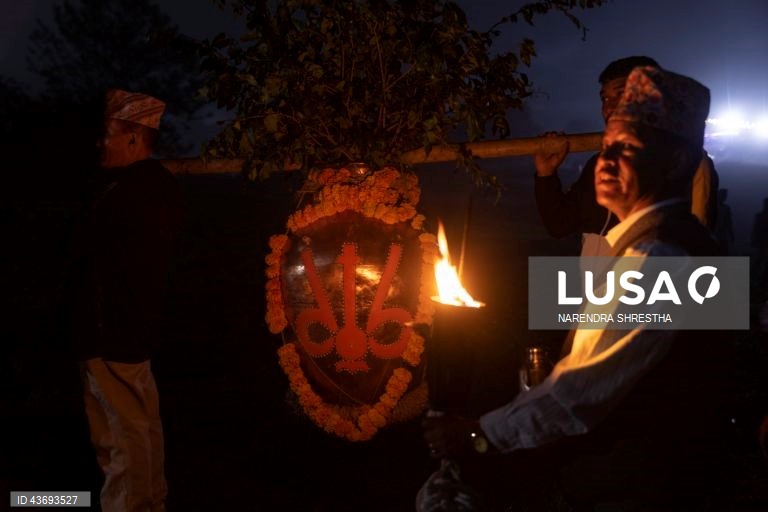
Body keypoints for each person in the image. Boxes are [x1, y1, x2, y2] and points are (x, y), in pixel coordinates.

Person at [420, 66, 725, 510]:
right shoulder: (651, 250)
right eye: (605, 146)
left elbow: (578, 397)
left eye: (627, 147)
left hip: (636, 488)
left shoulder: (663, 260)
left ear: (676, 162)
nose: (605, 161)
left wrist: (474, 434)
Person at [68, 89, 184, 512]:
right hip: (124, 335)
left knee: (122, 439)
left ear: (134, 139)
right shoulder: (148, 188)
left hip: (112, 337)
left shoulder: (136, 192)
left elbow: (112, 269)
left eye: (109, 134)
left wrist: (100, 332)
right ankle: (150, 502)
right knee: (137, 432)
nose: (101, 143)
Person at [534, 56, 719, 257]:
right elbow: (560, 225)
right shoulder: (601, 163)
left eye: (621, 94)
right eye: (605, 98)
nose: (610, 107)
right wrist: (546, 175)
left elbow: (694, 238)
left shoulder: (689, 164)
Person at [714, 188, 735, 255]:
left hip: (720, 235)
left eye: (725, 195)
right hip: (716, 235)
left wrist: (731, 234)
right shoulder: (725, 208)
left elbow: (728, 222)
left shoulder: (726, 208)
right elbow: (728, 222)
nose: (724, 197)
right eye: (723, 195)